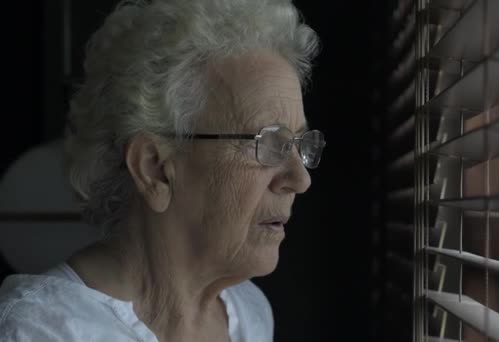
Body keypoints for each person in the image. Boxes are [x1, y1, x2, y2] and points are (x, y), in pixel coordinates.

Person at [0, 0, 324, 340]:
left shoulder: (247, 313)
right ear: (154, 169)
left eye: (298, 144)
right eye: (268, 143)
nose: (300, 180)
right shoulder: (40, 330)